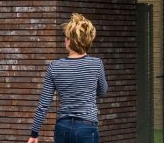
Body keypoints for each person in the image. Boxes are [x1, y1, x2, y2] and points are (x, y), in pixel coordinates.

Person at [27, 13, 107, 143]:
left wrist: (34, 133)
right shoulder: (96, 64)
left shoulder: (55, 66)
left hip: (62, 127)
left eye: (66, 37)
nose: (64, 40)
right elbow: (103, 91)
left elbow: (44, 104)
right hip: (87, 126)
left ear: (70, 41)